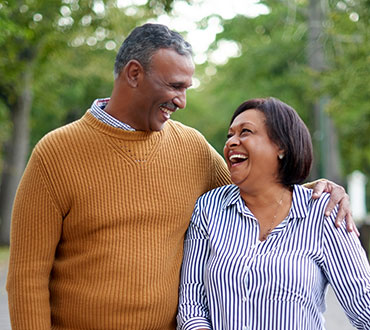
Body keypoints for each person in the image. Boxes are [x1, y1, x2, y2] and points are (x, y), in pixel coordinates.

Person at [6, 24, 354, 330]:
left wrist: (314, 190)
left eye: (187, 87)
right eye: (175, 86)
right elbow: (27, 277)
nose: (182, 101)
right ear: (133, 74)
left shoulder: (192, 148)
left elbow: (254, 192)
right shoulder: (56, 153)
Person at [177, 98, 370, 330]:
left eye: (245, 132)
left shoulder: (323, 213)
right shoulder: (209, 208)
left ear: (282, 147)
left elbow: (363, 304)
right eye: (230, 135)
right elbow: (192, 303)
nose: (231, 142)